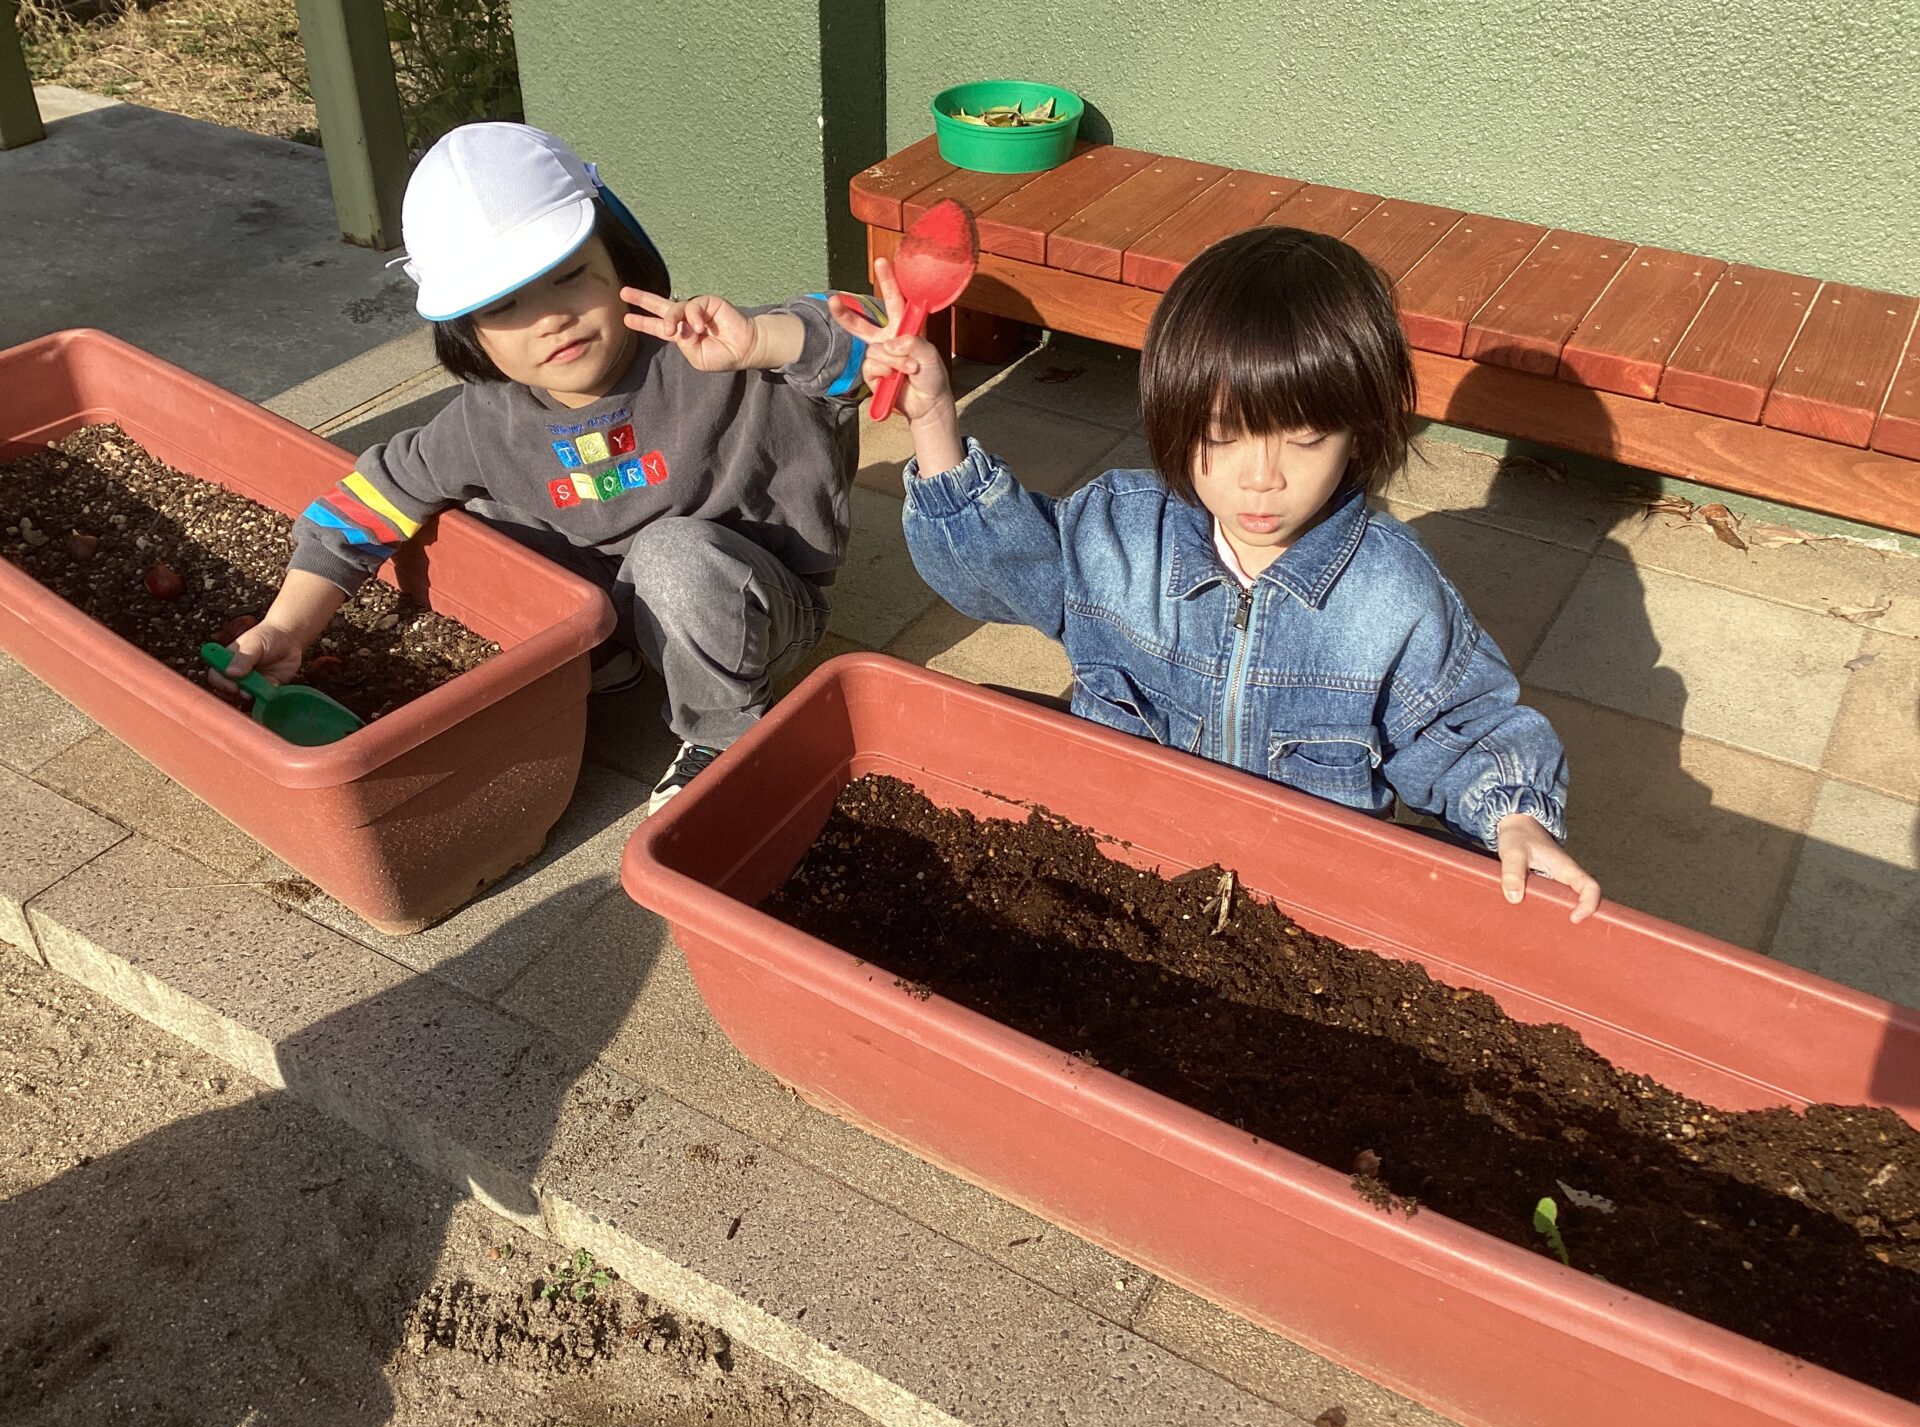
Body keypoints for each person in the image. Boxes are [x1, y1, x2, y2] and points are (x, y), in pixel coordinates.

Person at [831, 226, 1602, 922]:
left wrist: (1515, 817)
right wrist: (934, 419)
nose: (1262, 478)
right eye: (1225, 435)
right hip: (1118, 860)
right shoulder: (1121, 534)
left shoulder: (1391, 597)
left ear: (1360, 430)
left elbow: (1464, 731)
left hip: (1300, 903)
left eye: (1305, 438)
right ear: (1174, 414)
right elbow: (990, 570)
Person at [212, 122, 875, 814]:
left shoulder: (713, 356)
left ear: (621, 257)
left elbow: (870, 336)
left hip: (751, 609)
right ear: (467, 332)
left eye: (569, 276)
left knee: (671, 555)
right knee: (474, 519)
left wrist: (768, 339)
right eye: (503, 306)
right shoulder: (488, 418)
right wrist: (287, 629)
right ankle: (605, 661)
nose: (550, 318)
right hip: (613, 604)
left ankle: (720, 734)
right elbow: (365, 504)